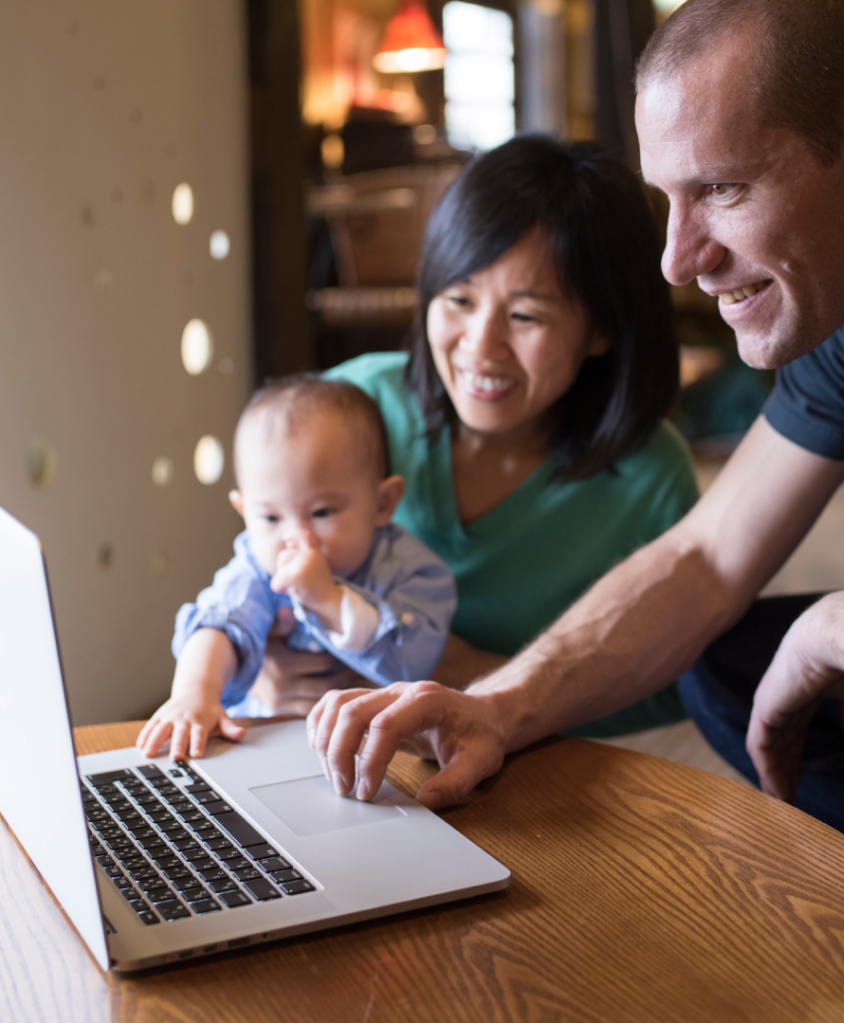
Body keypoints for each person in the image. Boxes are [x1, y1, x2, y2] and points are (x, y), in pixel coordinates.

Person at [302, 0, 844, 1015]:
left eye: (721, 189)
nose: (677, 260)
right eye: (667, 201)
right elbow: (705, 560)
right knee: (730, 661)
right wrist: (498, 709)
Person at [251, 134, 701, 738]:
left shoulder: (649, 478)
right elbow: (251, 580)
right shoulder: (352, 408)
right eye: (459, 298)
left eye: (525, 315)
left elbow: (675, 689)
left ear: (602, 327)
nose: (480, 348)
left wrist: (484, 682)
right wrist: (257, 669)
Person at [137, 377, 456, 764]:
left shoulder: (411, 570)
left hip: (378, 756)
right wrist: (194, 692)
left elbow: (413, 662)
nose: (296, 538)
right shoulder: (258, 565)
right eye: (270, 517)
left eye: (321, 512)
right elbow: (220, 622)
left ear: (382, 502)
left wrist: (328, 599)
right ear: (244, 514)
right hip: (265, 743)